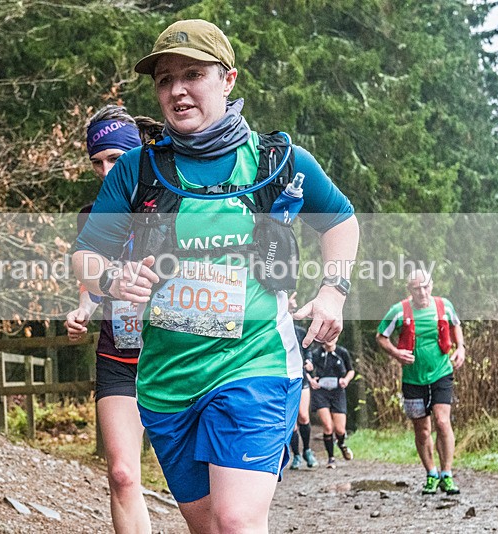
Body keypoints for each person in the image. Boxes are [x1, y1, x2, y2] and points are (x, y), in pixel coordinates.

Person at [72, 19, 359, 534]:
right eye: (164, 79)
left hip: (256, 364)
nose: (177, 90)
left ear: (227, 80)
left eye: (193, 74)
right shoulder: (136, 171)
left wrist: (333, 292)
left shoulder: (276, 162)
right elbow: (85, 256)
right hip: (167, 382)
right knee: (207, 527)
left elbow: (339, 220)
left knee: (235, 522)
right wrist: (114, 279)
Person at [65, 105, 161, 534]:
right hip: (118, 354)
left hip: (175, 354)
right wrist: (83, 308)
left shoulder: (169, 203)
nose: (105, 170)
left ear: (137, 152)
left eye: (115, 159)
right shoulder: (92, 214)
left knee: (198, 484)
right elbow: (89, 273)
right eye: (97, 162)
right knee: (122, 475)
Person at [376, 269, 466, 496]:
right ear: (410, 290)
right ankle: (431, 474)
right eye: (417, 289)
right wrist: (396, 354)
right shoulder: (399, 311)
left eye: (425, 287)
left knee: (442, 421)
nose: (422, 292)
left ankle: (447, 474)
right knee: (422, 430)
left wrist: (461, 348)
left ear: (432, 285)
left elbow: (456, 325)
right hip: (412, 379)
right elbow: (381, 336)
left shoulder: (444, 305)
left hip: (441, 373)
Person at [307, 337, 355, 468]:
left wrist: (346, 380)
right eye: (326, 337)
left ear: (337, 337)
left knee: (340, 429)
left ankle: (341, 443)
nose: (329, 340)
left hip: (338, 392)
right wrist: (311, 380)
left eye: (332, 337)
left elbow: (351, 370)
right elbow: (306, 369)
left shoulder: (342, 352)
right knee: (328, 426)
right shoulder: (316, 354)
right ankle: (331, 459)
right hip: (321, 392)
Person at [287, 292, 317, 470]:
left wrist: (309, 361)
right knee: (292, 423)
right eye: (292, 302)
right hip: (286, 378)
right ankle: (296, 456)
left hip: (302, 377)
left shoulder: (299, 332)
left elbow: (308, 350)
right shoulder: (277, 328)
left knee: (303, 416)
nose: (295, 305)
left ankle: (307, 450)